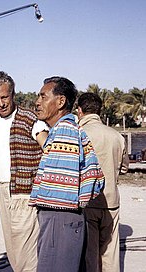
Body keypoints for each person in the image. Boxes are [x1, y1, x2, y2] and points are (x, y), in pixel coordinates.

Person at [29, 76, 105, 272]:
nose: (37, 102)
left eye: (43, 97)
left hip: (59, 217)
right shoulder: (68, 129)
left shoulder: (64, 130)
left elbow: (59, 186)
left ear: (61, 101)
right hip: (63, 218)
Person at [0, 71, 48, 272]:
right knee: (12, 249)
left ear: (13, 94)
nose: (1, 103)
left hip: (25, 193)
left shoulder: (31, 120)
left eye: (4, 97)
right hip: (4, 192)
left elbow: (49, 148)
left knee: (25, 251)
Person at [77, 92, 129, 272]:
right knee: (110, 255)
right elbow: (124, 169)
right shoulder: (116, 136)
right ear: (99, 110)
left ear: (80, 111)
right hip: (111, 202)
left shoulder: (78, 134)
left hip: (88, 202)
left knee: (90, 254)